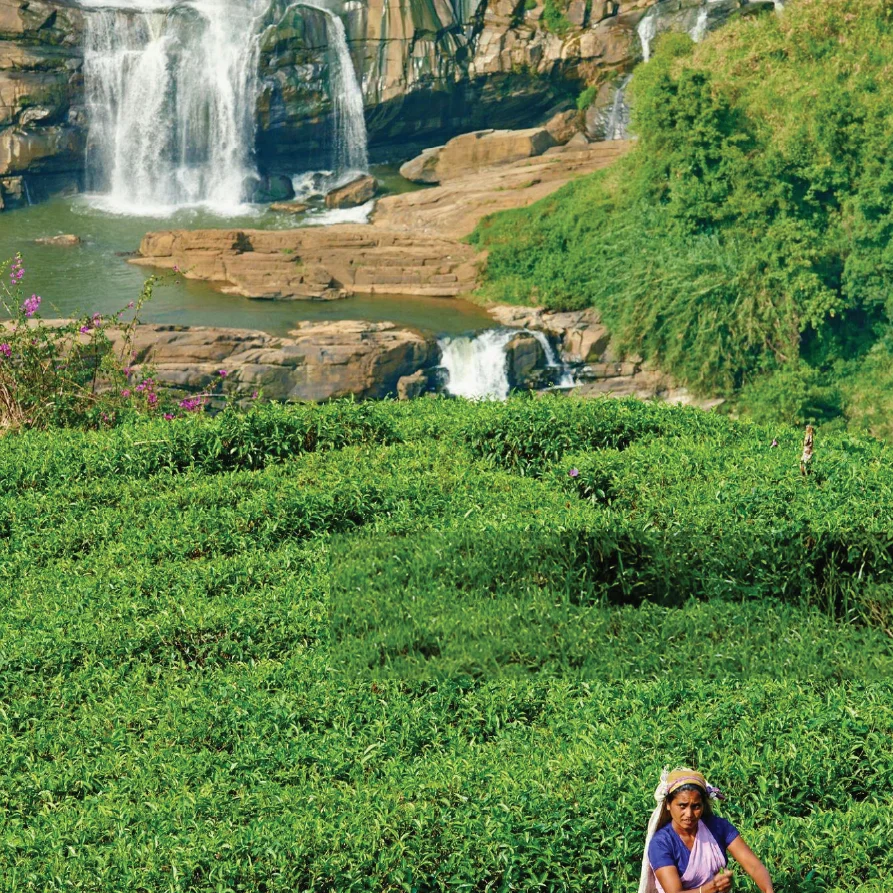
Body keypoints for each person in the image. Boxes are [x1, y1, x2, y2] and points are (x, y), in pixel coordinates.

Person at [638, 768, 774, 893]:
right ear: (668, 804)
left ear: (703, 805)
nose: (689, 814)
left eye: (696, 806)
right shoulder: (661, 843)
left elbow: (754, 867)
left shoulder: (717, 827)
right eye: (682, 806)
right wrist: (707, 889)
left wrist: (768, 890)